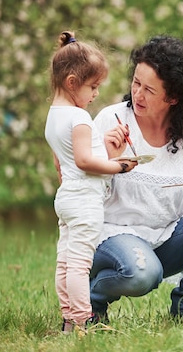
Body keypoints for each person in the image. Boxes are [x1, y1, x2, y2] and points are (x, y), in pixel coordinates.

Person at [90, 35, 183, 321]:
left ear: (173, 97)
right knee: (144, 274)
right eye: (136, 83)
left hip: (166, 237)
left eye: (149, 89)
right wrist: (109, 160)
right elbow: (86, 191)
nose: (137, 95)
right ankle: (91, 302)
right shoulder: (111, 121)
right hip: (111, 236)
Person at [44, 31, 134, 333]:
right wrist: (117, 167)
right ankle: (84, 320)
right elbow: (84, 161)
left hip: (67, 197)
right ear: (72, 82)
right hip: (84, 201)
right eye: (92, 86)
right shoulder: (80, 118)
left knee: (65, 262)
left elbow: (65, 161)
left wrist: (108, 153)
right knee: (80, 265)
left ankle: (69, 319)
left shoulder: (54, 117)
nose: (95, 94)